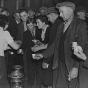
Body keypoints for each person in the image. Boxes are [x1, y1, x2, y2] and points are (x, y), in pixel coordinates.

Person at [34, 1, 88, 88]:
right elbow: (55, 44)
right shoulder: (61, 26)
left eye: (62, 12)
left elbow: (81, 47)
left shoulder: (81, 25)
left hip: (72, 64)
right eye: (59, 12)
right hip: (59, 64)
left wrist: (76, 67)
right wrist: (43, 55)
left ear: (70, 11)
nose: (60, 15)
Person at [0, 15, 21, 88]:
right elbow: (15, 47)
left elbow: (3, 46)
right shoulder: (5, 33)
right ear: (5, 23)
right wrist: (19, 43)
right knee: (2, 81)